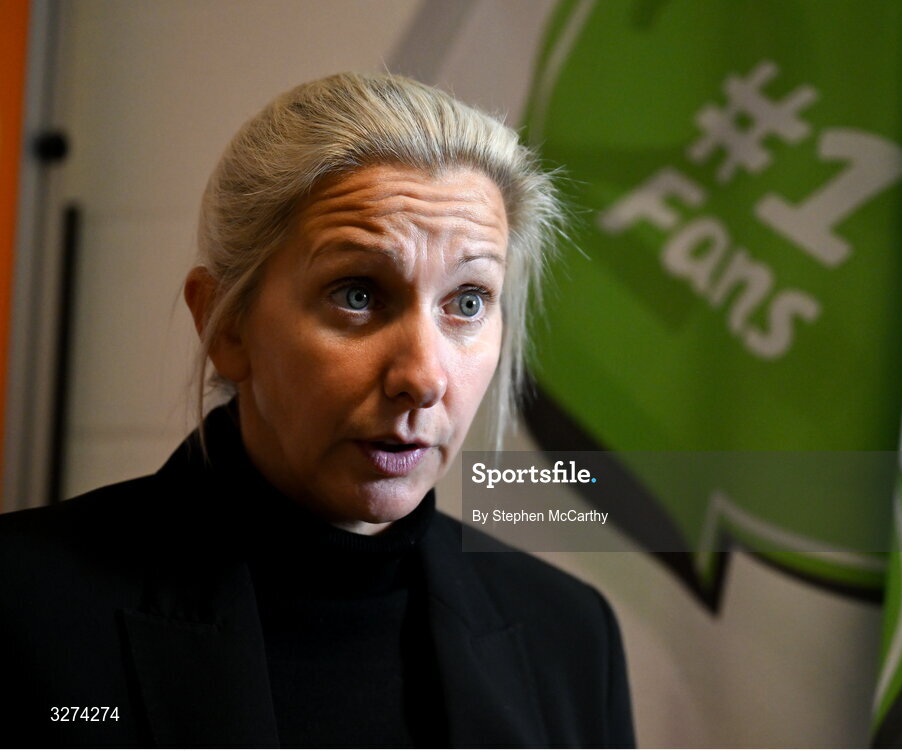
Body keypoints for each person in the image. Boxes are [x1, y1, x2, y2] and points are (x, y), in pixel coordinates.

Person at [0, 72, 635, 748]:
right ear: (226, 324)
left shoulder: (570, 638)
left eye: (468, 301)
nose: (422, 377)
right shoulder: (21, 606)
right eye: (357, 293)